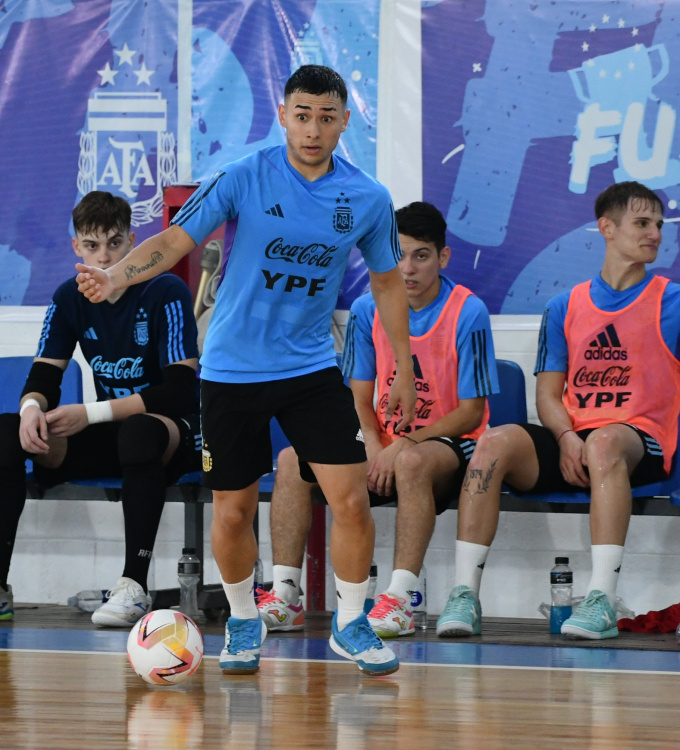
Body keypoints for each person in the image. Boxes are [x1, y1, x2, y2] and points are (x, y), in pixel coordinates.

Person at [77, 65, 416, 676]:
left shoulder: (367, 198)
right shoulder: (242, 176)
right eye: (302, 115)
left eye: (326, 118)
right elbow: (174, 241)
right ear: (283, 115)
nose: (313, 129)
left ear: (344, 121)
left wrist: (405, 367)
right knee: (233, 510)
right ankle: (241, 620)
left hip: (311, 367)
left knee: (351, 499)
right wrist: (115, 275)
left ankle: (351, 623)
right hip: (232, 370)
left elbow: (388, 284)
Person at [436, 181, 679, 640]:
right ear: (607, 228)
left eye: (658, 225)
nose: (655, 234)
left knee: (604, 441)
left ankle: (601, 598)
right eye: (642, 223)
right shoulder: (564, 305)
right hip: (575, 440)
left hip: (637, 442)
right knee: (493, 442)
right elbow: (548, 394)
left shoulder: (672, 302)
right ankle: (464, 594)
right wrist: (566, 438)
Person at [0, 190, 201, 627]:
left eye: (115, 244)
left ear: (133, 242)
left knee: (139, 431)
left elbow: (179, 391)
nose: (104, 257)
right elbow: (44, 376)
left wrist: (91, 413)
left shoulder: (166, 290)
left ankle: (133, 587)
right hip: (116, 436)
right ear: (76, 248)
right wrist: (31, 408)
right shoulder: (69, 297)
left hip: (172, 436)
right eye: (92, 245)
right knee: (6, 430)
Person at [257, 202, 499, 639]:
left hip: (449, 445)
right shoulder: (368, 309)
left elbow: (471, 412)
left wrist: (404, 444)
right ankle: (286, 595)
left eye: (421, 256)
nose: (408, 268)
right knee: (292, 459)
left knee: (411, 463)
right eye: (398, 255)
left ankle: (400, 599)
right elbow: (359, 396)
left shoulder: (468, 311)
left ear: (443, 257)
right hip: (381, 445)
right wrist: (370, 441)